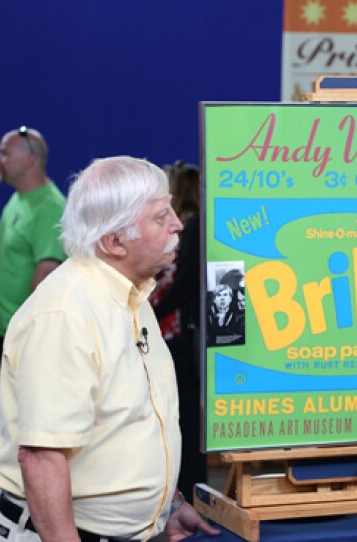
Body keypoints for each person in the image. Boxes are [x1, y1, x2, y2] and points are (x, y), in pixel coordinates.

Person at [0, 156, 220, 541]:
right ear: (114, 242)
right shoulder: (65, 314)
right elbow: (42, 458)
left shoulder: (131, 297)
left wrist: (168, 506)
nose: (178, 225)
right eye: (161, 218)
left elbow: (132, 422)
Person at [0, 126, 67, 415]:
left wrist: (26, 338)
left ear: (30, 161)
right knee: (2, 426)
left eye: (4, 153)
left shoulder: (51, 207)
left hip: (23, 341)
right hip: (3, 334)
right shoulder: (18, 200)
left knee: (22, 429)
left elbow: (45, 275)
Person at [151, 161, 206, 500]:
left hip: (174, 331)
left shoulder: (187, 228)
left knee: (181, 415)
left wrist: (152, 309)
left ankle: (186, 491)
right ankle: (186, 491)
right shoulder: (194, 225)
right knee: (182, 415)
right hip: (177, 330)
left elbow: (183, 283)